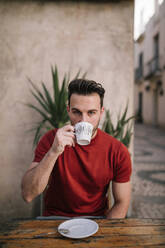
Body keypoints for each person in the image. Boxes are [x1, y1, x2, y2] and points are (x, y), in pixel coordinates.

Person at [21, 79, 132, 219]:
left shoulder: (117, 151)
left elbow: (122, 203)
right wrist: (53, 152)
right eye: (76, 112)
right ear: (68, 110)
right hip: (54, 219)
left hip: (96, 221)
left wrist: (106, 232)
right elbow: (28, 194)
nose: (83, 120)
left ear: (101, 112)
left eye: (91, 113)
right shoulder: (51, 140)